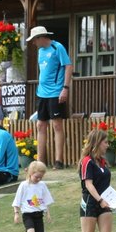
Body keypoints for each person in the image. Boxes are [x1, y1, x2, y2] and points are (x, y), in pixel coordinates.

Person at [58, 128, 116, 232]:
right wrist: (100, 200)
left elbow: (106, 185)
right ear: (97, 143)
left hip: (104, 202)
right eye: (105, 142)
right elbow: (89, 184)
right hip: (91, 202)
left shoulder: (103, 162)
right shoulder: (87, 161)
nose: (107, 145)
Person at [27, 25, 73, 169]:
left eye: (34, 40)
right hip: (42, 93)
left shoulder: (57, 47)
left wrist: (65, 88)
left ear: (40, 38)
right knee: (40, 125)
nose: (33, 43)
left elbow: (68, 66)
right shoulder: (41, 51)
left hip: (55, 92)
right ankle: (40, 162)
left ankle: (59, 161)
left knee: (57, 124)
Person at [13, 160, 54, 232]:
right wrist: (16, 213)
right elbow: (17, 201)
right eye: (36, 177)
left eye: (41, 177)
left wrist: (47, 213)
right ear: (30, 173)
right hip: (28, 214)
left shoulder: (42, 185)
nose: (39, 179)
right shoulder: (24, 186)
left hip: (38, 214)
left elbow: (45, 200)